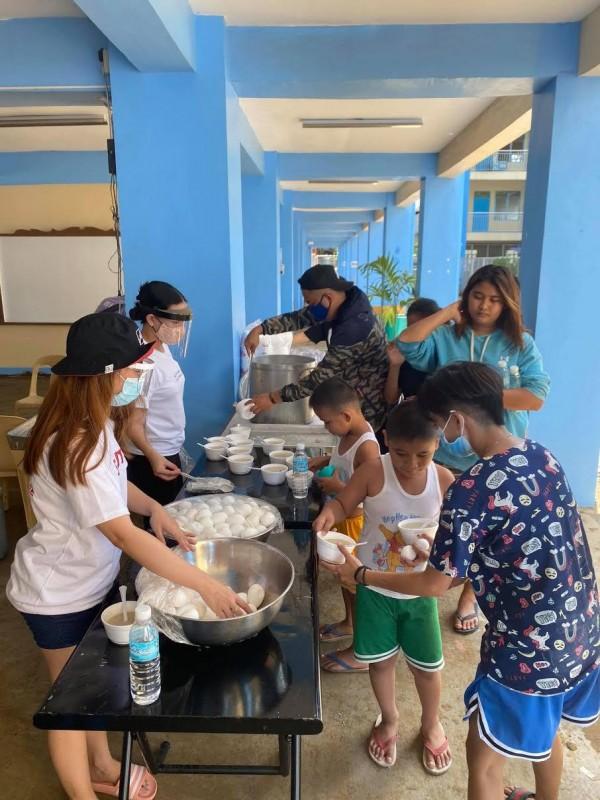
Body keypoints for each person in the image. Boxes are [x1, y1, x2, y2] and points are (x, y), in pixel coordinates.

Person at [327, 362, 599, 800]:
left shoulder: (471, 488)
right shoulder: (541, 455)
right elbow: (519, 543)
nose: (440, 432)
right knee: (542, 726)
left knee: (484, 753)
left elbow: (436, 585)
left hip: (526, 646)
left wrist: (359, 574)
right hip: (579, 627)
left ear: (458, 418)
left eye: (440, 423)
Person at [6, 313, 248, 800]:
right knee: (68, 703)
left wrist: (155, 507)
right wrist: (206, 585)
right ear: (105, 376)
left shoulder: (93, 428)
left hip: (87, 581)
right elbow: (120, 533)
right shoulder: (76, 443)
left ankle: (102, 764)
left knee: (89, 690)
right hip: (57, 593)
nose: (138, 381)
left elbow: (116, 494)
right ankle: (81, 792)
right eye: (132, 373)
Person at [396, 264, 550, 635]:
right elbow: (406, 344)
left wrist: (474, 399)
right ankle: (422, 581)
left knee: (488, 535)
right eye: (478, 296)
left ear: (508, 304)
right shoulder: (448, 337)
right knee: (443, 524)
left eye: (495, 300)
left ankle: (469, 595)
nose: (484, 306)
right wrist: (447, 313)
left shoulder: (519, 345)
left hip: (495, 455)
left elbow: (536, 395)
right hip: (448, 451)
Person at [313, 401, 455, 773]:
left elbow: (456, 536)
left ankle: (430, 722)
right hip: (374, 590)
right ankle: (388, 719)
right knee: (380, 663)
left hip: (420, 592)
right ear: (387, 440)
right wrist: (330, 514)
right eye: (402, 453)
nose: (411, 464)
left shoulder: (443, 481)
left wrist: (435, 542)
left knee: (427, 668)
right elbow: (344, 503)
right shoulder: (375, 471)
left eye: (422, 454)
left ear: (437, 444)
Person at [245, 265, 388, 436]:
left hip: (367, 410)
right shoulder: (340, 307)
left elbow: (318, 379)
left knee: (361, 454)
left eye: (311, 303)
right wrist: (260, 329)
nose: (309, 308)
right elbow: (298, 318)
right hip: (350, 399)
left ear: (328, 297)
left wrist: (272, 398)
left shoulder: (353, 327)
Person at [308, 377, 380, 673]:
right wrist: (325, 458)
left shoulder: (368, 447)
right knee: (343, 579)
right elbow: (342, 458)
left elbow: (367, 486)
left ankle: (362, 652)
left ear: (346, 416)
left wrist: (338, 485)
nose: (326, 428)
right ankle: (350, 623)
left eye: (327, 422)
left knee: (356, 583)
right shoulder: (347, 434)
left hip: (355, 521)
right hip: (341, 516)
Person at [127, 281, 192, 509]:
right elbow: (132, 424)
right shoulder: (141, 362)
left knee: (174, 515)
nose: (180, 330)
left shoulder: (161, 346)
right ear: (152, 319)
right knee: (162, 524)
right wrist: (154, 457)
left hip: (169, 449)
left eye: (182, 324)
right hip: (152, 459)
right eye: (174, 323)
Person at [384, 297, 440, 406]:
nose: (414, 336)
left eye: (419, 329)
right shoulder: (405, 353)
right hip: (415, 417)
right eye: (410, 329)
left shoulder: (446, 351)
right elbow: (390, 399)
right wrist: (395, 366)